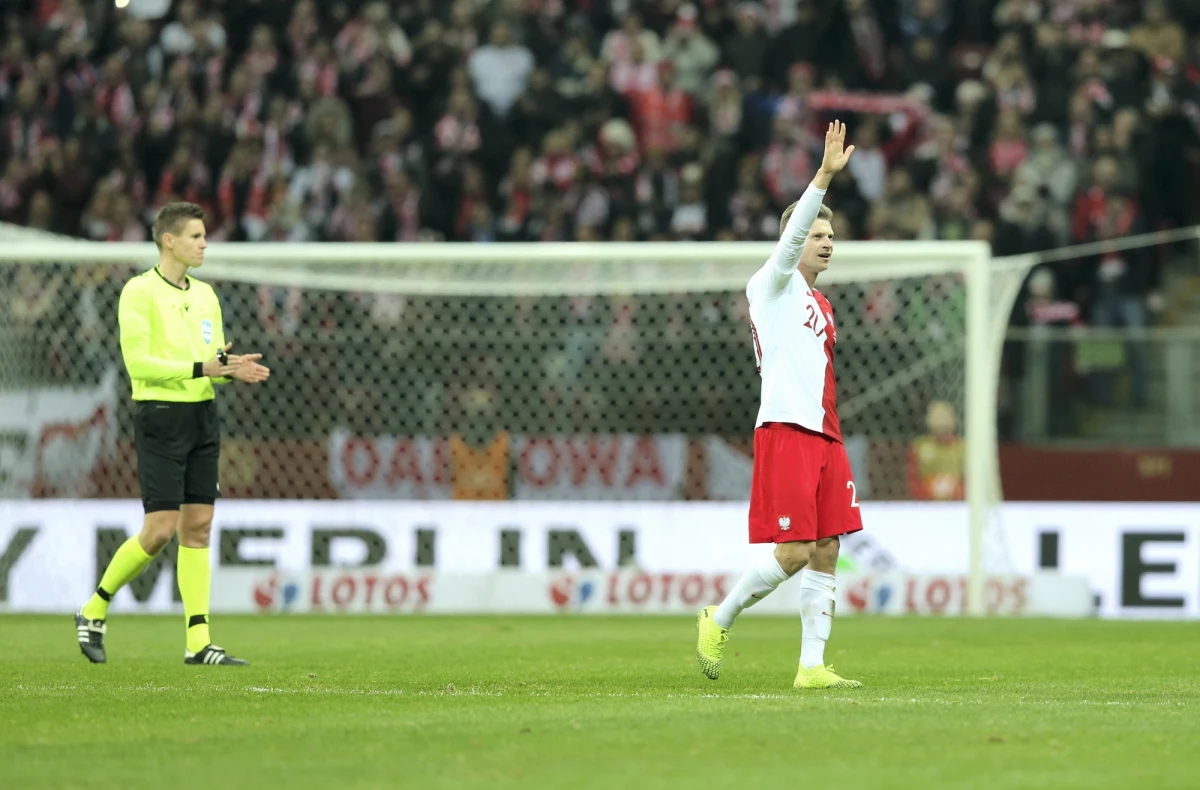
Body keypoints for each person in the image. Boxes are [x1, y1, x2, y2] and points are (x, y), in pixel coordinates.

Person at [695, 121, 863, 689]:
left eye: (829, 235)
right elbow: (787, 248)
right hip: (787, 429)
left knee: (825, 548)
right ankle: (719, 618)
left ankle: (811, 667)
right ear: (793, 238)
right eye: (816, 233)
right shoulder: (771, 283)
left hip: (825, 435)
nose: (826, 241)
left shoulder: (822, 304)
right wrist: (823, 175)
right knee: (791, 552)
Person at [74, 202, 270, 665]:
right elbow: (138, 365)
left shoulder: (206, 296)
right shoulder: (138, 292)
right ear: (170, 241)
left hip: (202, 415)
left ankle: (199, 644)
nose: (204, 243)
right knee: (160, 530)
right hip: (160, 416)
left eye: (204, 236)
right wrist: (204, 367)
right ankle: (93, 608)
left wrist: (230, 371)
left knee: (198, 529)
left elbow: (210, 366)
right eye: (197, 236)